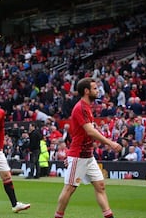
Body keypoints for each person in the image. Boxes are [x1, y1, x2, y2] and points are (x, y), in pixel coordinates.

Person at [54, 78, 122, 218]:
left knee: (100, 186)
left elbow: (88, 132)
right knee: (69, 189)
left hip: (88, 156)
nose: (97, 91)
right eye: (95, 88)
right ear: (86, 91)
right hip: (78, 155)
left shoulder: (87, 107)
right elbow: (89, 131)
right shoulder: (81, 108)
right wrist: (110, 143)